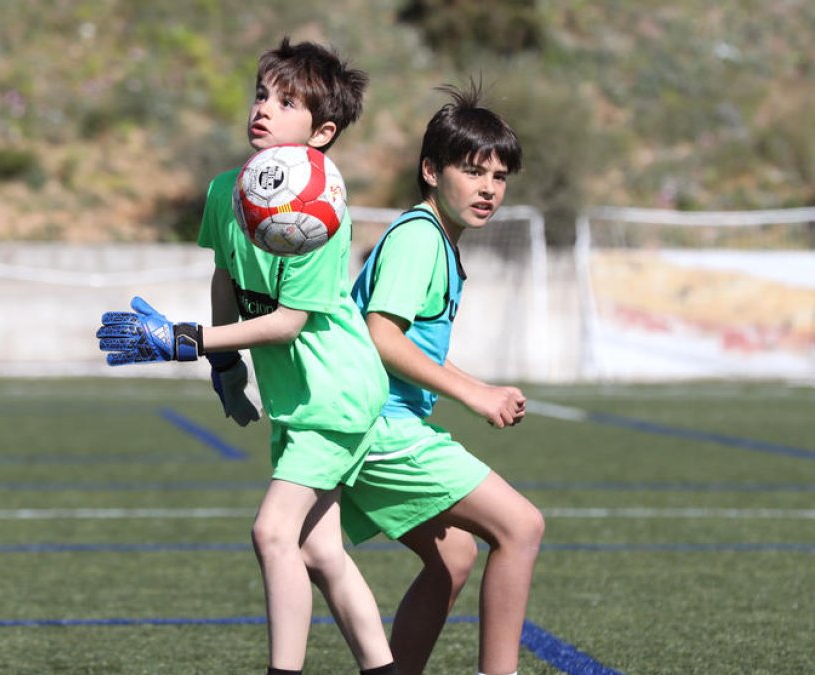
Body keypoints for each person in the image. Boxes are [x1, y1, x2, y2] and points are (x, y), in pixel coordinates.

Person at [98, 38, 397, 675]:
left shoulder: (319, 211)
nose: (263, 107)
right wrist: (224, 364)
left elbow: (289, 324)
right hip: (299, 400)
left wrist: (186, 340)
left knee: (271, 533)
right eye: (263, 93)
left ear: (322, 133)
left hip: (336, 392)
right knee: (321, 554)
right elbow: (225, 277)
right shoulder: (226, 190)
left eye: (286, 101)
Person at [342, 83, 545, 675]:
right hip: (378, 425)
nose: (488, 188)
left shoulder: (433, 240)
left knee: (454, 555)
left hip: (373, 421)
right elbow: (381, 335)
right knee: (522, 526)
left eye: (500, 176)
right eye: (473, 170)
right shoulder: (418, 241)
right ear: (431, 170)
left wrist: (476, 383)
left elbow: (401, 340)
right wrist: (473, 393)